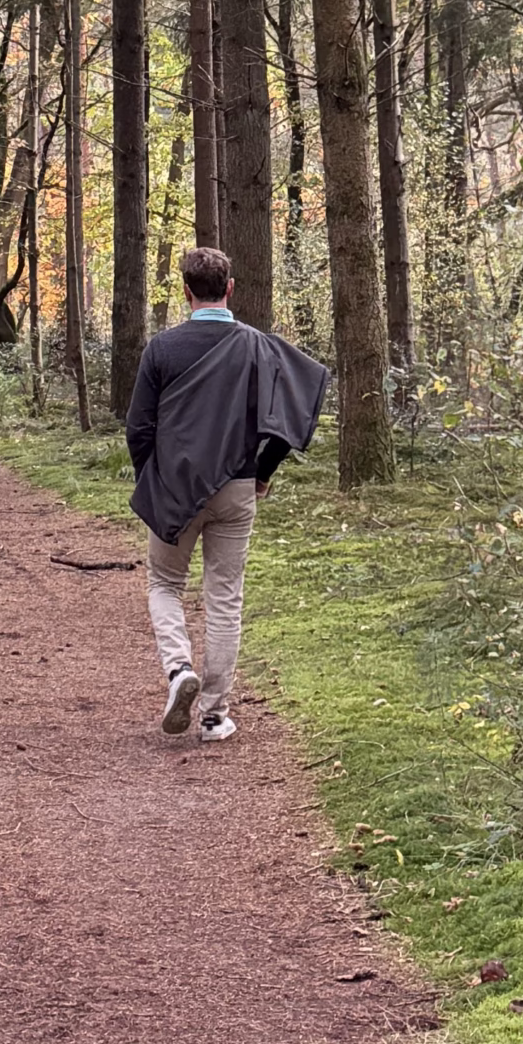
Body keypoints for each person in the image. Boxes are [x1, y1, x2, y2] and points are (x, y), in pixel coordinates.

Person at [124, 245, 329, 744]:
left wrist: (151, 479)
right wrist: (263, 471)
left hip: (174, 485)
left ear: (186, 291)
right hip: (237, 487)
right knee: (224, 599)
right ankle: (215, 715)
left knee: (165, 584)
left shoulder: (163, 349)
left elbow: (138, 427)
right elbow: (292, 414)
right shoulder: (260, 348)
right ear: (231, 288)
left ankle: (178, 671)